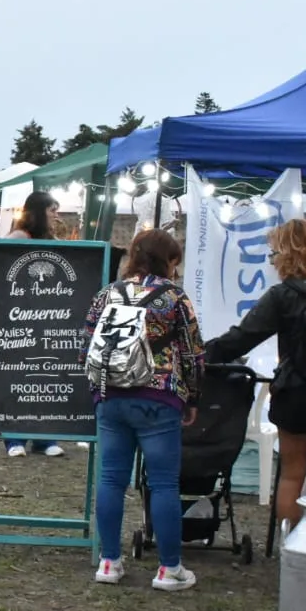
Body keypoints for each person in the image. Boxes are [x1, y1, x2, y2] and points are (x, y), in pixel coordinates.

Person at [84, 229, 204, 591]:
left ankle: (109, 561)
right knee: (164, 483)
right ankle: (169, 569)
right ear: (168, 261)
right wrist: (193, 397)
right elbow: (193, 353)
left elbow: (87, 340)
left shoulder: (109, 292)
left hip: (112, 396)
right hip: (158, 397)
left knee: (110, 480)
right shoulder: (173, 299)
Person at [204, 219, 306, 529]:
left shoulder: (280, 296)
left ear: (287, 254)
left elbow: (242, 337)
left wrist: (201, 354)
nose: (271, 259)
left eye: (273, 253)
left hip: (294, 391)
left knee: (291, 471)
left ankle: (291, 545)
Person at [5, 192, 65, 458]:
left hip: (48, 318)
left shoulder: (53, 241)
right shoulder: (19, 238)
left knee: (46, 378)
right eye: (52, 210)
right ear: (40, 211)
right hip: (19, 319)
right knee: (18, 378)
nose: (56, 215)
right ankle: (14, 438)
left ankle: (44, 438)